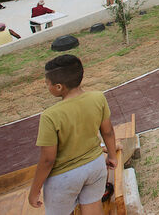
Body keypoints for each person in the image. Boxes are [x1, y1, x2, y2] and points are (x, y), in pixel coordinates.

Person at [28, 55, 117, 213]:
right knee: (93, 208)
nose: (47, 87)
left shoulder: (50, 116)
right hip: (95, 166)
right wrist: (112, 156)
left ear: (59, 87)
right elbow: (108, 131)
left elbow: (48, 159)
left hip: (64, 177)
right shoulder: (98, 98)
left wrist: (35, 190)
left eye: (47, 84)